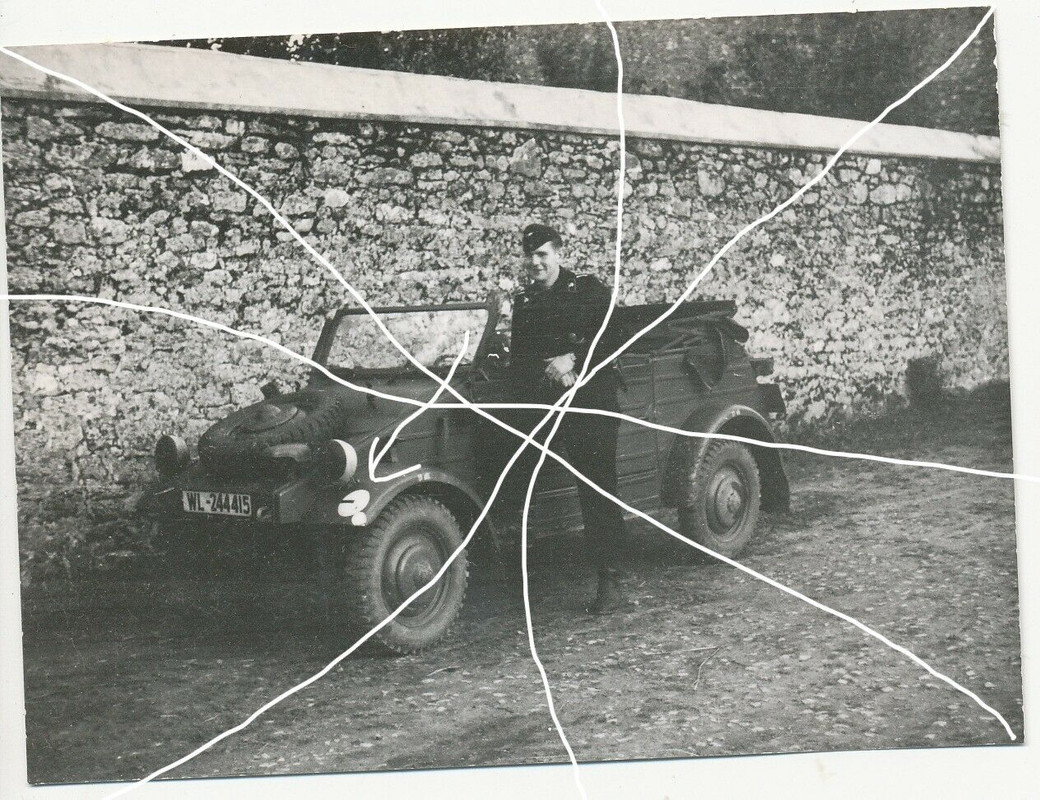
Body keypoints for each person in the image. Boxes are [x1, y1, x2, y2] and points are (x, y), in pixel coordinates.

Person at [508, 222, 628, 614]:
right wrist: (543, 368)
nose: (535, 262)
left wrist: (572, 359)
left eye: (542, 254)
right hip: (548, 405)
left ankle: (610, 580)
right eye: (530, 255)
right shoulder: (525, 303)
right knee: (515, 471)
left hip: (590, 404)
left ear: (559, 253)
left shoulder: (588, 291)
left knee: (597, 488)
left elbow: (614, 338)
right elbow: (520, 360)